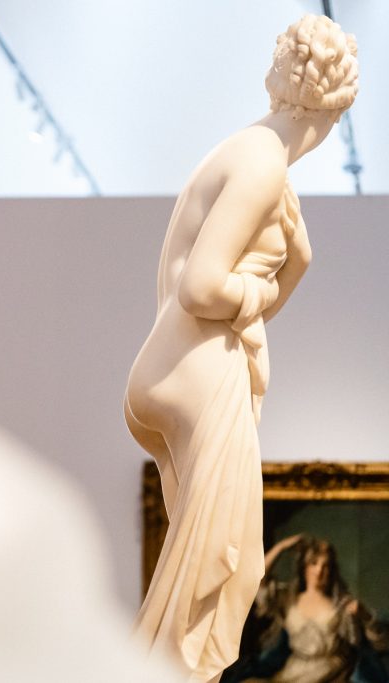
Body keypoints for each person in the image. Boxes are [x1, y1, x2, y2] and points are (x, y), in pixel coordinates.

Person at [123, 15, 359, 681]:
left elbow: (214, 280)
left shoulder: (246, 152)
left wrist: (294, 266)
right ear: (330, 111)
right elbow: (203, 287)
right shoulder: (262, 164)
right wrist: (261, 294)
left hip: (173, 371)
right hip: (200, 371)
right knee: (227, 568)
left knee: (192, 572)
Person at [230, 535, 389, 682]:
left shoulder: (341, 604)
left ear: (332, 570)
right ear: (304, 566)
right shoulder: (289, 598)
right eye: (314, 563)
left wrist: (363, 615)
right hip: (294, 671)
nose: (319, 571)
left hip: (329, 672)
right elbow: (256, 580)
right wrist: (282, 547)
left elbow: (378, 641)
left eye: (325, 566)